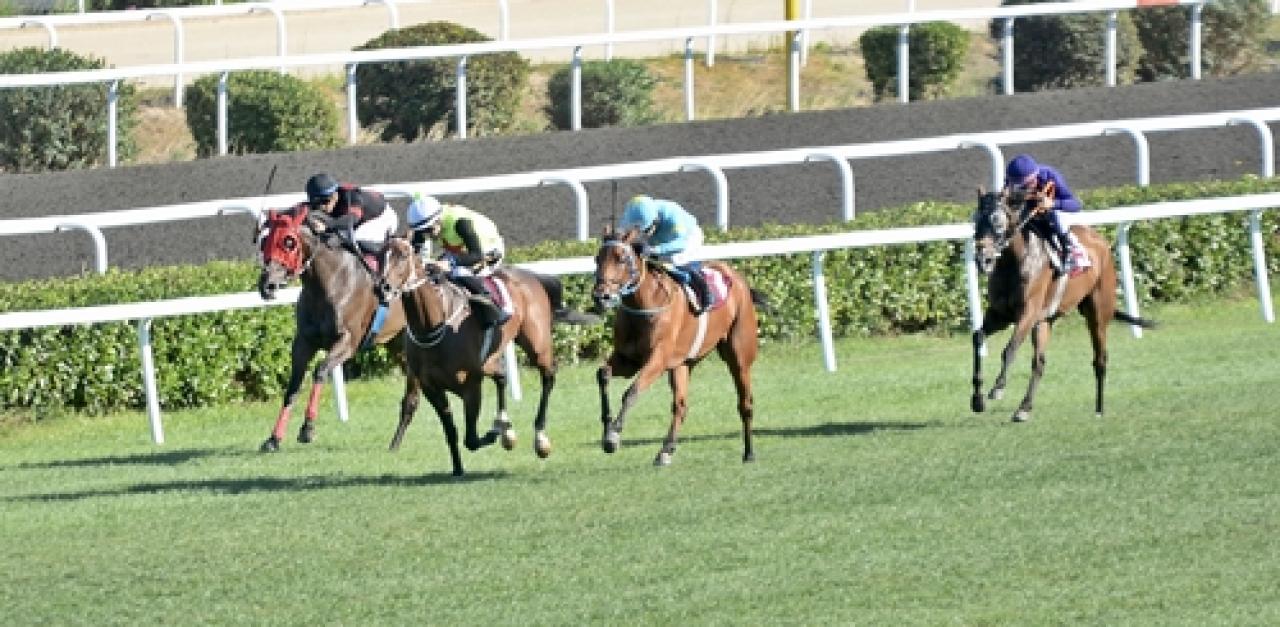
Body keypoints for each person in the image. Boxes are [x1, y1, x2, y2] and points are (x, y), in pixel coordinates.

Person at [405, 193, 510, 328]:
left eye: (429, 231)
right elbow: (415, 249)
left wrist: (450, 262)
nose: (427, 236)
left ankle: (494, 306)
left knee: (458, 272)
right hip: (460, 249)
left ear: (438, 220)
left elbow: (476, 255)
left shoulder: (461, 223)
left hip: (486, 251)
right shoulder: (426, 222)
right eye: (422, 232)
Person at [617, 194, 713, 312]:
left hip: (687, 238)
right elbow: (621, 237)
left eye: (646, 230)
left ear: (655, 220)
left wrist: (657, 250)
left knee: (676, 260)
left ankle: (703, 289)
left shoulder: (672, 214)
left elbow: (681, 243)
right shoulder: (631, 217)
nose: (642, 233)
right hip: (657, 239)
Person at [1003, 154, 1091, 276]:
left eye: (1030, 182)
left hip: (1053, 214)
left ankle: (1071, 250)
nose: (1027, 187)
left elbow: (1076, 204)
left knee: (1057, 217)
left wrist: (1053, 203)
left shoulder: (1050, 175)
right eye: (1022, 186)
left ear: (1036, 174)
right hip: (1029, 215)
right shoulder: (1009, 184)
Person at [303, 173, 399, 253]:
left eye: (325, 201)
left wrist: (327, 225)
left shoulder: (351, 198)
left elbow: (352, 219)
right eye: (316, 203)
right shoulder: (331, 199)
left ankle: (377, 272)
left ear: (335, 195)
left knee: (353, 239)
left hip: (382, 218)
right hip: (362, 219)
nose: (321, 207)